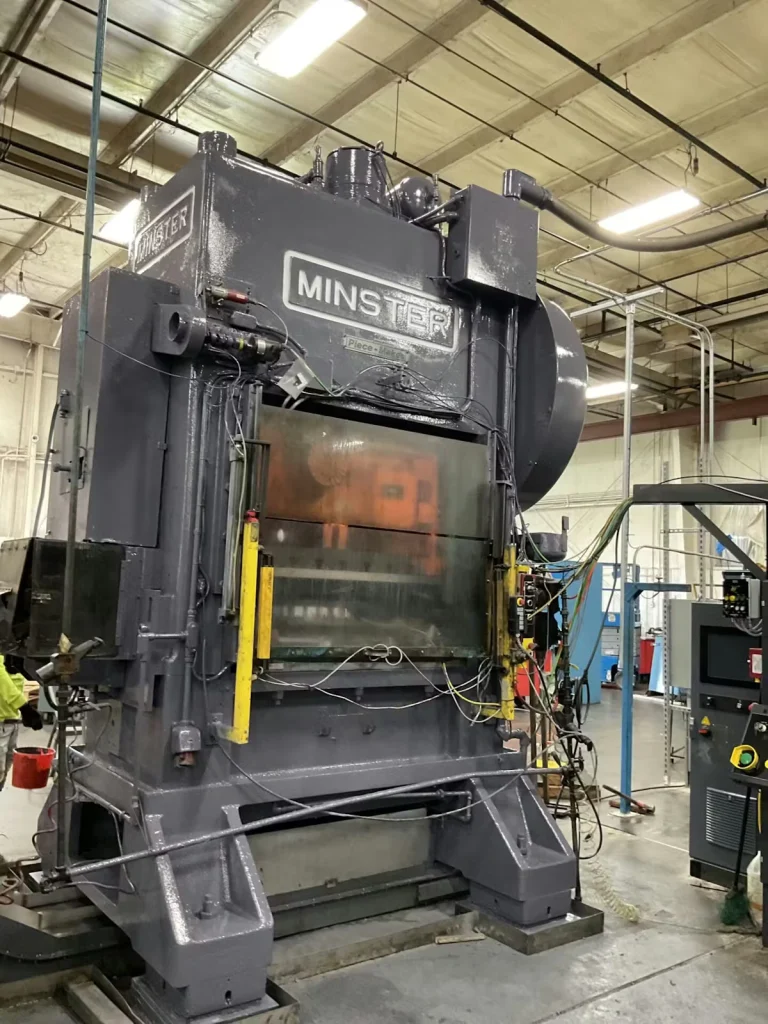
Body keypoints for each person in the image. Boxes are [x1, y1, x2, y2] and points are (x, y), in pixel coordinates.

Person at [0, 654, 43, 791]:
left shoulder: (9, 650)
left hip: (11, 720)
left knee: (4, 768)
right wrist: (24, 707)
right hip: (2, 721)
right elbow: (2, 680)